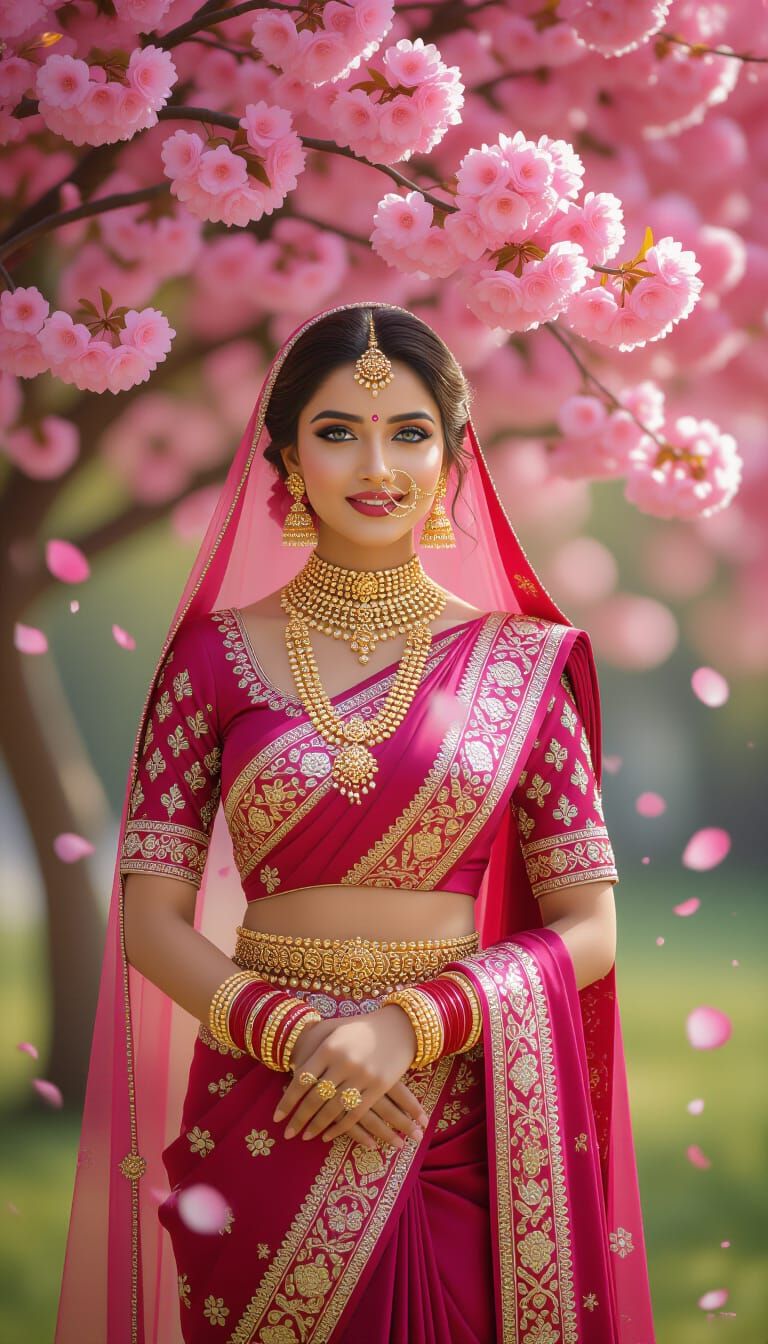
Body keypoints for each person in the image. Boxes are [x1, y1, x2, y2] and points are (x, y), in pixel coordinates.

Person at [55, 302, 656, 1343]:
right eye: (337, 432)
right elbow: (150, 921)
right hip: (269, 1101)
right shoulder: (210, 660)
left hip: (463, 1110)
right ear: (285, 456)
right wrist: (302, 1039)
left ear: (454, 457)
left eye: (409, 432)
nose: (376, 464)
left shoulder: (525, 663)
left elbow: (591, 930)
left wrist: (406, 1028)